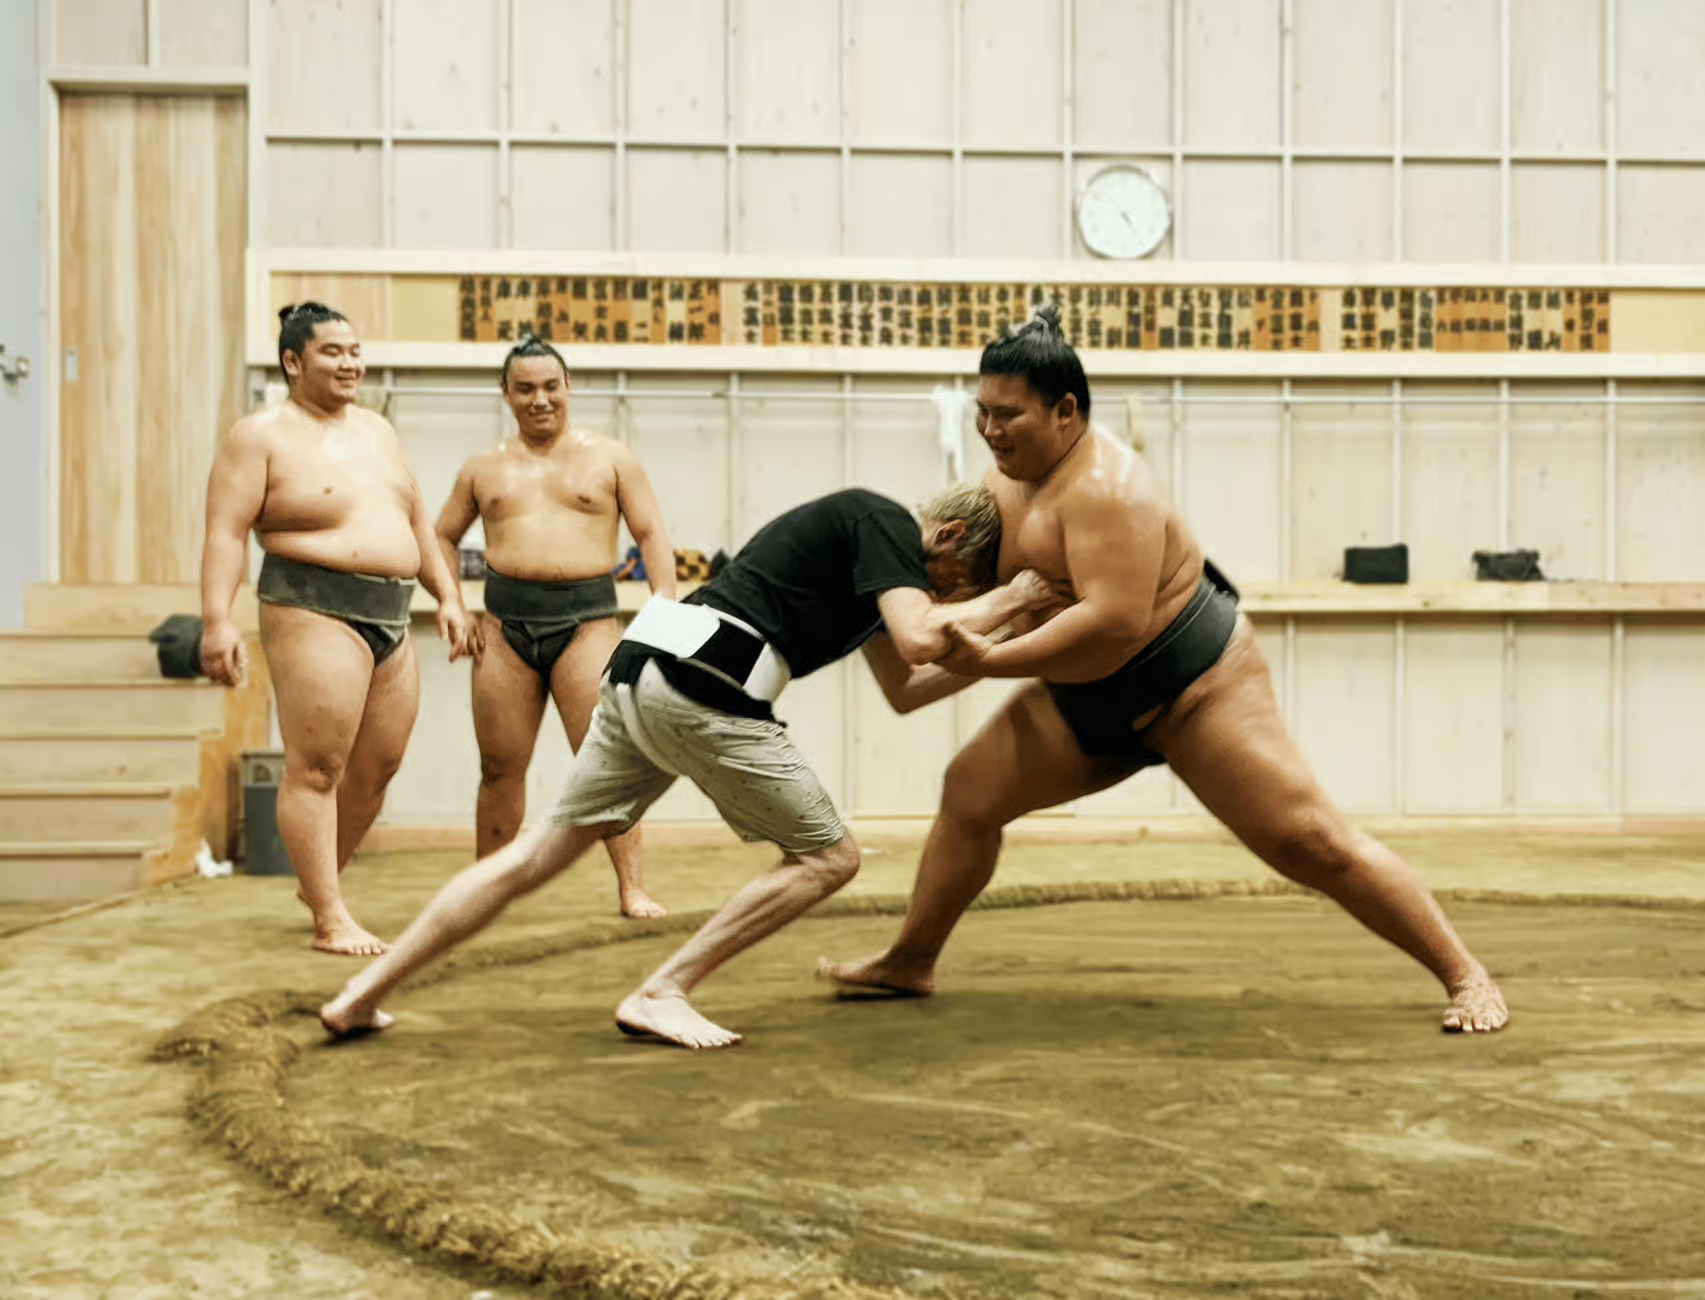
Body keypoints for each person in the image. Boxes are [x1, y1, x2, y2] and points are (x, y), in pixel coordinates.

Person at [822, 306, 1509, 1034]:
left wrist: (992, 658)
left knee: (1309, 841)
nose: (991, 432)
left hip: (1194, 687)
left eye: (1008, 416)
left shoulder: (1107, 488)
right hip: (1083, 699)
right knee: (968, 793)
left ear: (1064, 411)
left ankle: (1466, 976)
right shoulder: (1005, 482)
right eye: (982, 413)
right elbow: (964, 568)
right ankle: (911, 959)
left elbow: (1111, 624)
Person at [320, 485, 1056, 1047]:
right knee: (829, 858)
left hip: (645, 673)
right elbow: (926, 636)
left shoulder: (878, 585)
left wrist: (1011, 652)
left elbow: (908, 686)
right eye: (961, 578)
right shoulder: (882, 521)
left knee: (534, 856)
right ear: (951, 536)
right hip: (705, 686)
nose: (953, 595)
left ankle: (359, 995)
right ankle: (662, 991)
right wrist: (1014, 597)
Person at [201, 303, 471, 956]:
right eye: (333, 352)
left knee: (376, 768)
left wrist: (450, 598)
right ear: (293, 362)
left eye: (355, 350)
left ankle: (319, 879)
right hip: (310, 604)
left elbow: (416, 521)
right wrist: (216, 620)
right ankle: (330, 916)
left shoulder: (379, 430)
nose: (350, 362)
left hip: (392, 611)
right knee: (318, 767)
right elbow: (227, 531)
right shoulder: (258, 436)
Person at [435, 335, 674, 919]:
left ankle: (631, 888)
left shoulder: (611, 458)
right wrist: (452, 603)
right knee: (498, 767)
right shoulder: (482, 467)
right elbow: (440, 535)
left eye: (550, 387)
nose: (539, 400)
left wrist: (663, 602)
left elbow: (651, 534)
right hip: (503, 625)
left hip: (588, 622)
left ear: (568, 387)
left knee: (607, 760)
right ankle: (483, 895)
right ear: (507, 395)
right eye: (525, 389)